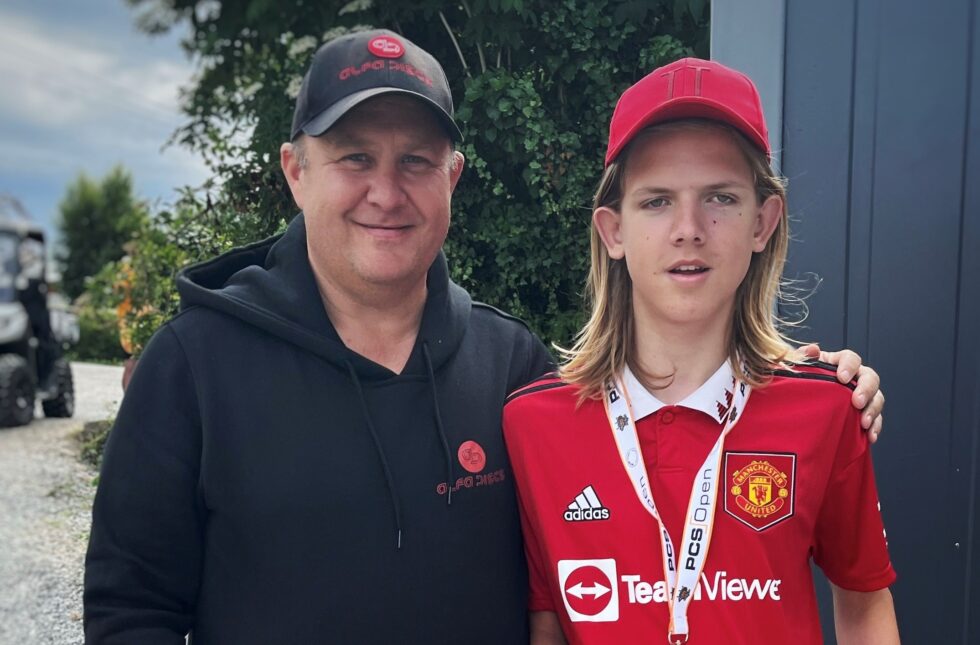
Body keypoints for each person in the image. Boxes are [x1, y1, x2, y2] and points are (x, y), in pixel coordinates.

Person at [84, 32, 884, 644]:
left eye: (416, 161)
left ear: (454, 177)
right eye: (355, 157)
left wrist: (810, 380)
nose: (386, 191)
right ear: (295, 170)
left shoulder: (510, 368)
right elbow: (130, 608)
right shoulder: (193, 363)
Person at [502, 58, 899, 644]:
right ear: (613, 231)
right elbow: (548, 623)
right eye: (657, 201)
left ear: (762, 222)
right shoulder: (533, 422)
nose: (689, 228)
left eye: (720, 197)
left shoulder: (828, 407)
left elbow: (864, 604)